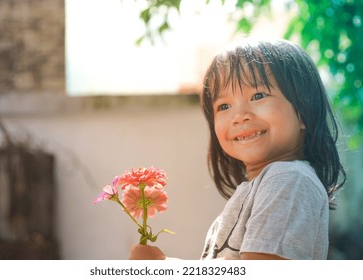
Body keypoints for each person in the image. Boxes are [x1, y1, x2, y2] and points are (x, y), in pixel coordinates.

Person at [129, 38, 346, 260]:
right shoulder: (262, 187)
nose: (239, 116)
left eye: (258, 96)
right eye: (224, 106)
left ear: (303, 111)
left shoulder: (290, 180)